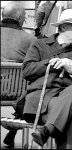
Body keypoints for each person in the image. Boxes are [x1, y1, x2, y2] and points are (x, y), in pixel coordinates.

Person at [22, 8, 72, 148]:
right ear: (63, 27)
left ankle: (46, 131)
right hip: (41, 103)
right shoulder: (39, 44)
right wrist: (52, 63)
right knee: (67, 116)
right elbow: (27, 71)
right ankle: (47, 130)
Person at [1, 1, 36, 147]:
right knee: (33, 85)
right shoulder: (31, 40)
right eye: (25, 17)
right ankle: (14, 127)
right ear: (20, 18)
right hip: (17, 92)